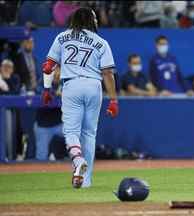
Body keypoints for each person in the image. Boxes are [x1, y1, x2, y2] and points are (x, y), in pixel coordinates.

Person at [42, 8, 118, 188]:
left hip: (72, 85)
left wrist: (46, 89)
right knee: (89, 134)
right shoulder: (101, 42)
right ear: (92, 20)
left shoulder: (62, 37)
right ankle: (86, 180)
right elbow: (107, 72)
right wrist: (113, 100)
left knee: (71, 132)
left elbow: (48, 66)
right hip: (94, 86)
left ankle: (77, 162)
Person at [34, 67, 63, 161]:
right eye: (55, 70)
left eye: (59, 70)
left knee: (76, 140)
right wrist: (54, 93)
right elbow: (40, 92)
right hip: (43, 125)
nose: (57, 73)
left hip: (60, 125)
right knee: (41, 157)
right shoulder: (43, 81)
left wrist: (64, 94)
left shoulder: (65, 83)